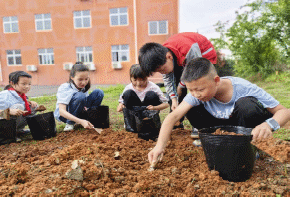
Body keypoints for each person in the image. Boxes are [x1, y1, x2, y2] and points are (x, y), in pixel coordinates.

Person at [148, 57, 290, 165]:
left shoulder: (243, 87)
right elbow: (173, 117)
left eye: (200, 89)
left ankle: (249, 148)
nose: (196, 94)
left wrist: (268, 125)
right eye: (191, 89)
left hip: (243, 126)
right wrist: (159, 147)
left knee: (247, 105)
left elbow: (284, 111)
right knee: (190, 108)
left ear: (216, 80)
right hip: (218, 126)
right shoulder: (196, 93)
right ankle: (216, 142)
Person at [139, 32, 217, 137]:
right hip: (183, 61)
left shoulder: (189, 49)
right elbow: (167, 79)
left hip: (203, 56)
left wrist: (181, 86)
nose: (162, 72)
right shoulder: (163, 58)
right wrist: (174, 99)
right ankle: (177, 121)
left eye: (162, 69)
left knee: (198, 88)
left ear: (169, 56)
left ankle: (201, 125)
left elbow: (196, 71)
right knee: (176, 88)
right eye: (159, 71)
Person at [117, 64, 169, 132]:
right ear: (131, 78)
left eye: (142, 80)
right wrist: (121, 106)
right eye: (135, 80)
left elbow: (166, 104)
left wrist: (154, 108)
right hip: (134, 115)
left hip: (149, 114)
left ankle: (150, 124)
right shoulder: (128, 88)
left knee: (151, 94)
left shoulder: (153, 87)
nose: (138, 83)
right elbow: (121, 103)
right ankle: (131, 125)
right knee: (128, 93)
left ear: (147, 77)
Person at [54, 62, 104, 131]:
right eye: (80, 79)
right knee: (81, 96)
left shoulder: (83, 87)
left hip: (78, 112)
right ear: (72, 77)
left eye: (86, 79)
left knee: (99, 92)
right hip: (65, 116)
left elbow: (83, 103)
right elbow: (61, 111)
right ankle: (70, 124)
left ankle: (91, 120)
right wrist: (80, 121)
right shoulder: (65, 88)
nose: (84, 82)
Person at [0, 71, 45, 136]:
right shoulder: (4, 95)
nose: (27, 87)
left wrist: (32, 105)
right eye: (23, 84)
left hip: (10, 123)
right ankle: (7, 134)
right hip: (3, 126)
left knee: (33, 107)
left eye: (29, 84)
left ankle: (18, 131)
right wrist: (8, 111)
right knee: (18, 107)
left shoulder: (22, 95)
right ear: (12, 83)